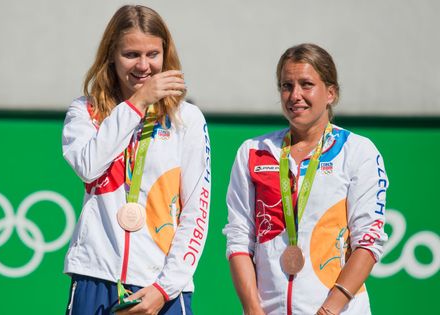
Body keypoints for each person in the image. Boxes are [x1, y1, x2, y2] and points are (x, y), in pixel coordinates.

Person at [61, 5, 211, 315]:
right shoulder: (85, 112)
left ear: (165, 55)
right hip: (94, 275)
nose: (143, 66)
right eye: (131, 54)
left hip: (161, 286)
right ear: (111, 56)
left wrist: (165, 288)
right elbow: (88, 167)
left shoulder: (187, 118)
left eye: (152, 54)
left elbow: (197, 212)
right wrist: (138, 103)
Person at [223, 43, 388, 315]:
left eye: (306, 84)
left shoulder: (358, 151)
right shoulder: (254, 151)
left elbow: (368, 242)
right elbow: (239, 238)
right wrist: (252, 308)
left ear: (331, 93)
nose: (295, 95)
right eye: (286, 86)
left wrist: (328, 310)